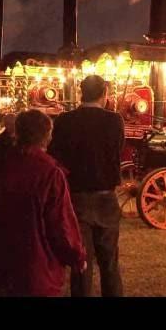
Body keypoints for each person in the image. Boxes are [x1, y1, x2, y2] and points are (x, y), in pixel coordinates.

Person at [0, 109, 87, 297]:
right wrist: (76, 256)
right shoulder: (50, 173)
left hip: (2, 264)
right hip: (37, 269)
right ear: (46, 136)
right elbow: (61, 224)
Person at [49, 75, 125, 297]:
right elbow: (118, 150)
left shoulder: (64, 120)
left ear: (81, 93)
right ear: (104, 94)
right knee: (110, 262)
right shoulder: (115, 121)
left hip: (77, 198)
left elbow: (56, 157)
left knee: (81, 262)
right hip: (106, 197)